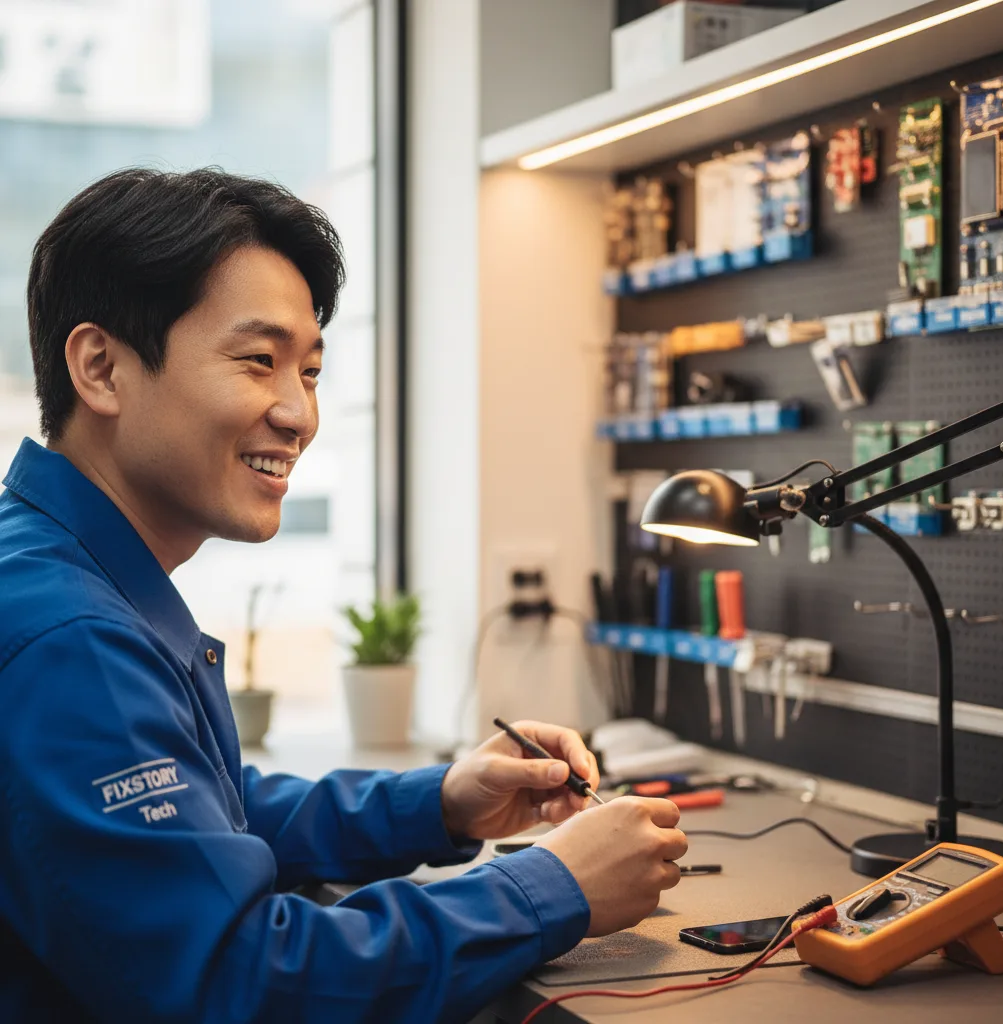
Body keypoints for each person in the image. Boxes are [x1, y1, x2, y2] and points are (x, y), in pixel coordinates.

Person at [0, 168, 688, 1023]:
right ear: (101, 368)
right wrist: (549, 887)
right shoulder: (64, 637)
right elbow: (242, 981)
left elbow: (212, 818)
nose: (298, 414)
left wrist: (437, 802)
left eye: (312, 371)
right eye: (260, 362)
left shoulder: (57, 576)